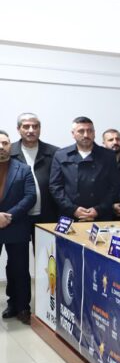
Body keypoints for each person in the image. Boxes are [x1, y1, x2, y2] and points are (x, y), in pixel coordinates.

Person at [50, 117, 120, 222]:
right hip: (69, 215)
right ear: (73, 134)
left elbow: (114, 187)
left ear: (94, 133)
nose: (86, 135)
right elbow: (55, 186)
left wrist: (99, 209)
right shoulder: (61, 155)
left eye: (90, 131)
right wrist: (73, 209)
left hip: (100, 216)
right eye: (81, 131)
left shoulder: (108, 155)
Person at [0, 131, 35, 324]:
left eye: (5, 143)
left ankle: (20, 307)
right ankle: (13, 304)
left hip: (16, 225)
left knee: (19, 269)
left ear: (10, 145)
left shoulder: (23, 169)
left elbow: (30, 197)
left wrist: (9, 216)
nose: (1, 147)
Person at [10, 113, 59, 225]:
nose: (31, 130)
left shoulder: (55, 153)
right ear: (18, 129)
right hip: (17, 216)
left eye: (35, 126)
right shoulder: (9, 152)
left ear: (39, 129)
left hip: (48, 215)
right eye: (26, 126)